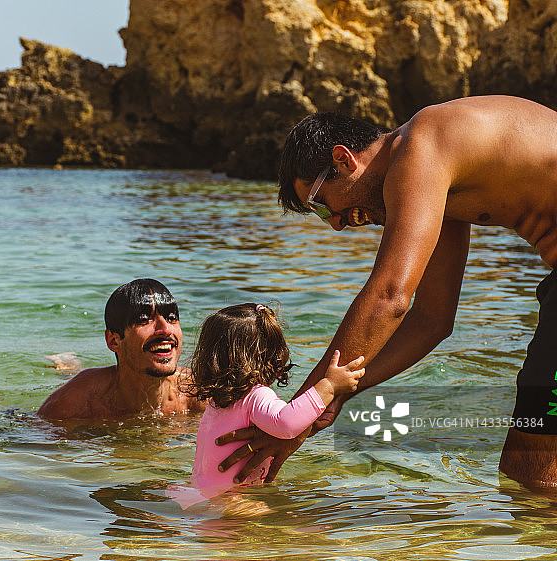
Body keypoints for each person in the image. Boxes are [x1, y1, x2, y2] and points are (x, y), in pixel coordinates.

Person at [215, 95, 557, 490]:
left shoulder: (422, 145)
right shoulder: (437, 177)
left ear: (344, 159)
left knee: (531, 467)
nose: (337, 225)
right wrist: (335, 393)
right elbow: (432, 319)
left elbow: (390, 296)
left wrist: (299, 412)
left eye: (323, 206)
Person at [167, 303, 364, 508]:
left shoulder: (219, 401)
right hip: (231, 500)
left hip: (202, 493)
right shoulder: (255, 397)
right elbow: (286, 423)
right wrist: (329, 386)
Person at [37, 278, 205, 419]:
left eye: (171, 318)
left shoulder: (199, 392)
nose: (166, 329)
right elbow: (25, 440)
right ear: (113, 341)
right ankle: (67, 365)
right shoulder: (81, 399)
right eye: (144, 319)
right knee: (74, 378)